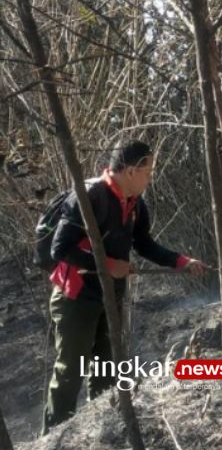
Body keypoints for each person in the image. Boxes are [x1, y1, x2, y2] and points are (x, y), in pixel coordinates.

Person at [41, 140, 208, 434]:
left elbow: (144, 245)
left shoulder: (136, 204)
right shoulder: (91, 195)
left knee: (106, 369)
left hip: (111, 297)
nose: (150, 177)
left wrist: (181, 261)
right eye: (148, 171)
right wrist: (107, 264)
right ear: (131, 170)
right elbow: (59, 249)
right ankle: (52, 442)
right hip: (76, 296)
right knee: (70, 374)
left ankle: (101, 433)